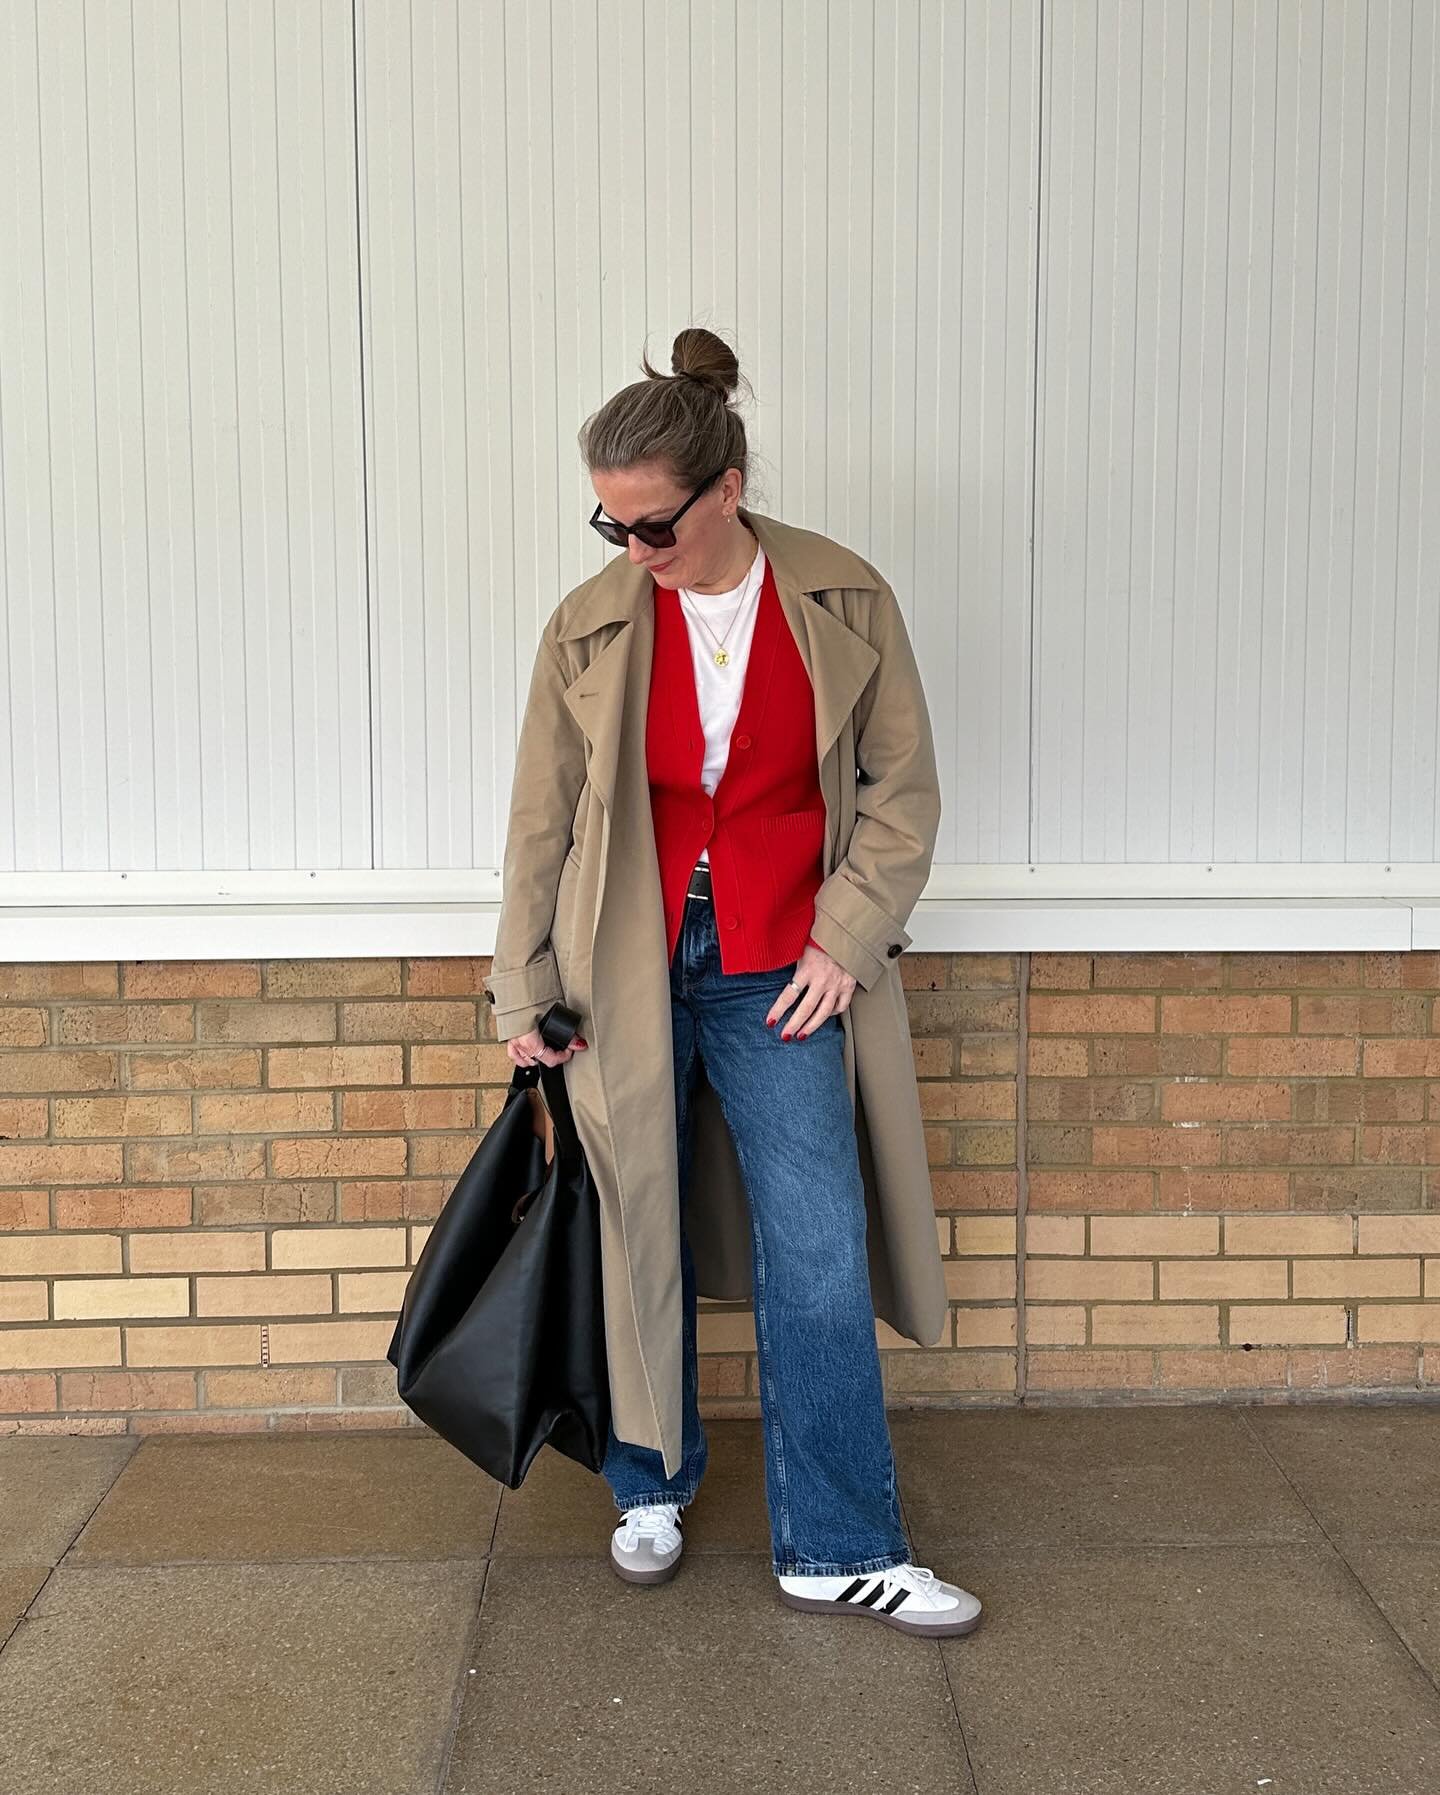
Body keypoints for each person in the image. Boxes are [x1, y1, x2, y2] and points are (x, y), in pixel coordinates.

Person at [494, 326, 981, 1639]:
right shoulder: (588, 628)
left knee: (817, 1249)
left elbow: (903, 795)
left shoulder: (843, 599)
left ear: (725, 489)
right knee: (633, 1224)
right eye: (611, 523)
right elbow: (539, 824)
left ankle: (837, 1543)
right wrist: (519, 989)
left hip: (783, 971)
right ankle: (646, 1482)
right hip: (624, 974)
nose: (632, 549)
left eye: (654, 524)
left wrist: (846, 937)